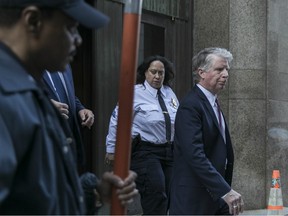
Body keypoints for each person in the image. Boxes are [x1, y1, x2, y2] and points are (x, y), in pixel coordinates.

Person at [0, 0, 138, 214]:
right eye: (70, 28)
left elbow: (32, 194)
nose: (78, 39)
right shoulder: (8, 97)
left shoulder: (28, 90)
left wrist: (91, 192)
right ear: (33, 21)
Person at [169, 47, 244, 215]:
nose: (225, 74)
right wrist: (224, 190)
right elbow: (194, 154)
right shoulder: (191, 105)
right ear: (201, 72)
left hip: (215, 196)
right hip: (194, 199)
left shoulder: (211, 102)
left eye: (226, 70)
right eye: (219, 69)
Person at [105, 55, 179, 215]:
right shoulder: (134, 93)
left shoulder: (169, 93)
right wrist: (111, 150)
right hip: (146, 151)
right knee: (156, 193)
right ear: (145, 73)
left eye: (161, 73)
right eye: (153, 72)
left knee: (169, 195)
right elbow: (117, 121)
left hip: (169, 151)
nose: (157, 76)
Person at [43, 64, 94, 166]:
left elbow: (68, 93)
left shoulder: (65, 65)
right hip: (45, 145)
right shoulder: (28, 64)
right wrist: (46, 106)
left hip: (68, 144)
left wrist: (80, 109)